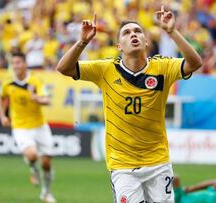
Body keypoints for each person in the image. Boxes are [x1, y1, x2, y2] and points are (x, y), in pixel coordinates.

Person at [56, 5, 203, 203]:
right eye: (126, 33)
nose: (133, 35)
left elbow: (195, 63)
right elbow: (64, 68)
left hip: (158, 162)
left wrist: (171, 31)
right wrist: (82, 42)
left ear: (146, 41)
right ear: (119, 46)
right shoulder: (105, 69)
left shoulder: (163, 67)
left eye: (138, 31)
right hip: (122, 165)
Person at [0, 52, 56, 203]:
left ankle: (46, 193)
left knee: (47, 163)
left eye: (18, 62)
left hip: (40, 125)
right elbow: (3, 99)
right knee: (32, 155)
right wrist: (3, 116)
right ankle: (33, 170)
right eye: (13, 63)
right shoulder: (7, 82)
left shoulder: (35, 80)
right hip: (20, 126)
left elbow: (47, 100)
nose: (16, 66)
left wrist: (37, 98)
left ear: (25, 64)